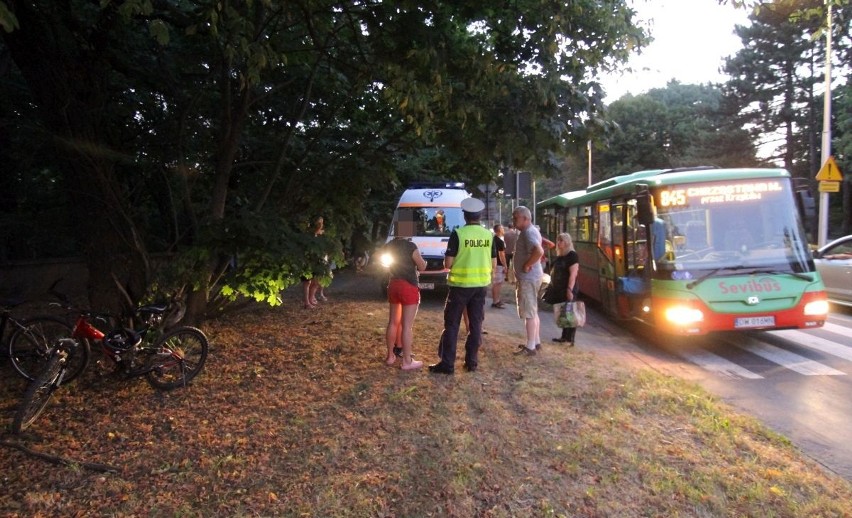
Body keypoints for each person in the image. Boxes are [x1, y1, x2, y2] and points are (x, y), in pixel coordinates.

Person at [429, 198, 496, 374]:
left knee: (452, 325)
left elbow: (448, 263)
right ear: (479, 216)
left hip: (459, 286)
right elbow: (494, 264)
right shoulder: (489, 236)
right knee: (475, 325)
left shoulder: (458, 234)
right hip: (480, 286)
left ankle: (447, 364)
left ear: (465, 216)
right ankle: (472, 362)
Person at [384, 219, 428, 370]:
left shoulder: (389, 246)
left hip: (393, 284)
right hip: (408, 286)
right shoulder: (411, 246)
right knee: (407, 326)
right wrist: (424, 263)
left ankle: (390, 356)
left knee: (392, 322)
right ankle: (407, 361)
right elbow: (421, 266)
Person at [511, 206, 544, 356]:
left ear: (526, 218)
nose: (513, 220)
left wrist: (527, 264)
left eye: (516, 217)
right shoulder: (531, 231)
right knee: (533, 310)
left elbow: (539, 251)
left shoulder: (528, 233)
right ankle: (535, 341)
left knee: (528, 312)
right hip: (533, 277)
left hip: (528, 278)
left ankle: (530, 346)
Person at [544, 233, 580, 346]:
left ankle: (570, 340)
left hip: (568, 288)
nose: (558, 243)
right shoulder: (561, 255)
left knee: (569, 313)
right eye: (558, 240)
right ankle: (564, 337)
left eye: (561, 241)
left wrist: (569, 289)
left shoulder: (572, 255)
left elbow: (573, 274)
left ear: (567, 242)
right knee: (563, 312)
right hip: (559, 288)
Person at [302, 216, 326, 309]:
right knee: (307, 282)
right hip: (308, 261)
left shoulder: (319, 235)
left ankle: (311, 298)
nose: (320, 225)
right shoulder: (308, 235)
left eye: (321, 223)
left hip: (316, 261)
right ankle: (306, 302)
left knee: (316, 282)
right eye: (319, 223)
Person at [491, 224, 507, 308]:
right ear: (499, 230)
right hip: (499, 264)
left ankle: (496, 300)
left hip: (494, 263)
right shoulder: (499, 241)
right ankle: (495, 301)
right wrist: (505, 265)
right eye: (502, 228)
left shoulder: (493, 239)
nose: (503, 230)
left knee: (496, 283)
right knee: (498, 283)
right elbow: (501, 254)